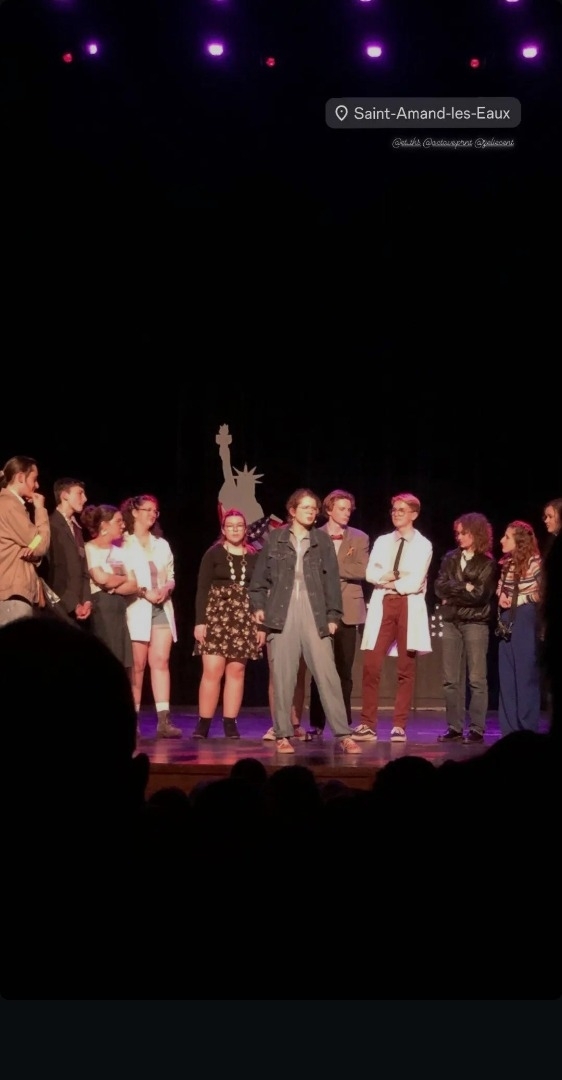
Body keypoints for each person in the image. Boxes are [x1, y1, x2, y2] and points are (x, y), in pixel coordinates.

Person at [248, 488, 361, 755]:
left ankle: (343, 734)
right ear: (292, 510)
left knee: (328, 675)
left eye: (314, 508)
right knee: (283, 677)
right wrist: (259, 608)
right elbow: (258, 581)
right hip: (282, 614)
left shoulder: (321, 540)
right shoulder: (276, 539)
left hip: (315, 613)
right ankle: (282, 734)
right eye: (306, 507)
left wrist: (333, 615)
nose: (311, 512)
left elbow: (331, 581)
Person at [352, 492, 432, 743]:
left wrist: (389, 579)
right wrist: (390, 577)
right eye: (394, 510)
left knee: (405, 668)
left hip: (408, 605)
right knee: (371, 664)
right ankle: (368, 724)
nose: (396, 514)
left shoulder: (423, 545)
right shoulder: (383, 541)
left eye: (402, 510)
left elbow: (415, 581)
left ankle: (399, 725)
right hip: (383, 603)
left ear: (414, 514)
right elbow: (371, 573)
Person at [192, 508, 264, 739]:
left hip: (244, 617)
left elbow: (261, 591)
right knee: (212, 670)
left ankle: (230, 723)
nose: (234, 529)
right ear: (223, 529)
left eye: (239, 525)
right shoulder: (213, 554)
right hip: (216, 616)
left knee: (236, 670)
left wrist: (261, 626)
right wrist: (200, 622)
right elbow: (202, 589)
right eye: (230, 526)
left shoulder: (254, 556)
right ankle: (203, 723)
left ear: (245, 529)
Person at [307, 488, 370, 737]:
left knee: (344, 670)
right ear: (329, 510)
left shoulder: (360, 537)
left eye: (349, 509)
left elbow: (362, 570)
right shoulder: (314, 535)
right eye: (341, 509)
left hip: (349, 610)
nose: (346, 513)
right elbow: (310, 568)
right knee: (319, 669)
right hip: (320, 609)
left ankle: (343, 722)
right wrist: (341, 568)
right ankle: (317, 723)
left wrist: (330, 567)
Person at [120, 494, 181, 739]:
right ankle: (132, 720)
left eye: (155, 511)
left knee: (161, 662)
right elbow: (123, 577)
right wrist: (145, 592)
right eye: (147, 510)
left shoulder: (161, 544)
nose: (152, 515)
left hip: (162, 607)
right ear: (134, 512)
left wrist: (166, 589)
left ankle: (164, 721)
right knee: (137, 666)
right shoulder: (123, 543)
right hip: (137, 607)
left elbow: (171, 575)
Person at [435, 512, 499, 744]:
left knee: (476, 678)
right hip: (451, 621)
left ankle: (477, 728)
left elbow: (480, 595)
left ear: (477, 533)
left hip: (475, 623)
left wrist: (454, 593)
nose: (459, 537)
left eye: (464, 533)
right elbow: (439, 587)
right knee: (450, 679)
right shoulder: (450, 558)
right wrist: (465, 587)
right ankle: (454, 727)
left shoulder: (487, 563)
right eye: (458, 533)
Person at [496, 520, 542, 736]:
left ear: (519, 541)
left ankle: (527, 729)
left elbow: (544, 591)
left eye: (507, 537)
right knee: (507, 675)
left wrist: (522, 599)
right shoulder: (507, 563)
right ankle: (509, 730)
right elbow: (500, 587)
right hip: (508, 617)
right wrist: (502, 596)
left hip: (525, 617)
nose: (501, 540)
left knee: (524, 675)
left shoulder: (535, 563)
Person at [82, 503, 138, 670]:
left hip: (119, 609)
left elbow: (133, 585)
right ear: (104, 525)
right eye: (118, 521)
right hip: (102, 608)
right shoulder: (90, 548)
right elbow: (101, 578)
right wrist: (121, 578)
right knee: (105, 659)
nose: (123, 525)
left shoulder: (120, 552)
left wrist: (112, 586)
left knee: (121, 662)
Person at [0, 454, 50, 626]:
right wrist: (40, 509)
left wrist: (34, 548)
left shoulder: (11, 504)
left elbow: (34, 544)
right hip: (12, 593)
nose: (37, 485)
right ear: (21, 477)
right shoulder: (9, 504)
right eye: (34, 479)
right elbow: (39, 542)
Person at [42, 477, 92, 626]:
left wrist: (86, 600)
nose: (85, 498)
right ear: (64, 495)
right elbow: (53, 571)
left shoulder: (77, 529)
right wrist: (72, 604)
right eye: (80, 493)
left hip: (80, 609)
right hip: (58, 608)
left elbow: (84, 570)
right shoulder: (50, 525)